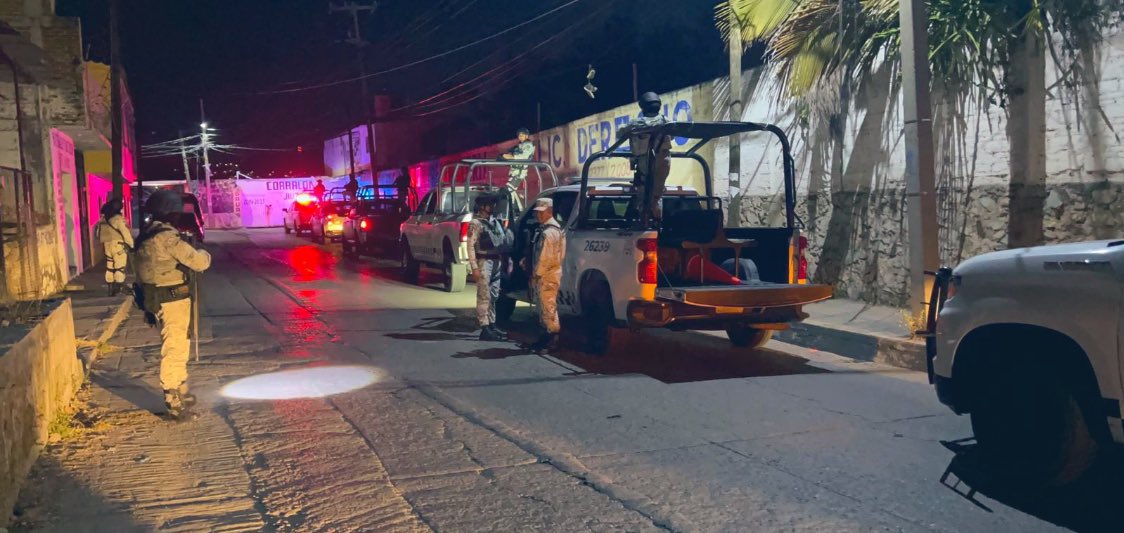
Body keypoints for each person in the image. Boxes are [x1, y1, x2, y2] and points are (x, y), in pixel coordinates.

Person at [135, 190, 212, 420]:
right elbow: (198, 262)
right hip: (172, 298)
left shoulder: (147, 234)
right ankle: (172, 396)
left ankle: (180, 387)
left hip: (158, 297)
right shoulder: (166, 237)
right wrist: (204, 254)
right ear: (171, 213)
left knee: (177, 343)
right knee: (175, 347)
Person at [617, 91, 671, 223]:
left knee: (644, 192)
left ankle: (644, 220)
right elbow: (673, 137)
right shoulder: (667, 122)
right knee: (657, 194)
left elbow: (620, 133)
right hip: (664, 159)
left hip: (645, 160)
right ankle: (657, 220)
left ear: (643, 107)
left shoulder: (637, 124)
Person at [467, 194, 508, 341]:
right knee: (484, 296)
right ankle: (484, 327)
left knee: (494, 295)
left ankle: (492, 324)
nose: (493, 207)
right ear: (482, 207)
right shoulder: (476, 223)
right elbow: (470, 246)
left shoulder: (495, 222)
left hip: (496, 261)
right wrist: (474, 267)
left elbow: (501, 241)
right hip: (484, 261)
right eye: (490, 204)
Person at [528, 197, 565, 351]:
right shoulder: (553, 230)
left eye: (542, 212)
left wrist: (536, 274)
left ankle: (552, 340)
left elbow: (545, 257)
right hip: (550, 273)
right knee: (545, 307)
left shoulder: (549, 233)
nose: (539, 215)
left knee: (548, 307)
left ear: (549, 211)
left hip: (547, 274)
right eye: (537, 212)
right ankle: (545, 337)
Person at [95, 197, 133, 296]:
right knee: (119, 266)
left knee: (110, 266)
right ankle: (119, 287)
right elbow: (125, 233)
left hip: (107, 245)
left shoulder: (103, 219)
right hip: (118, 245)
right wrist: (131, 245)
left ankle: (110, 286)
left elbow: (97, 233)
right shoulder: (117, 219)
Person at [501, 127, 535, 192]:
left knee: (508, 190)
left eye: (522, 135)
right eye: (519, 136)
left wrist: (512, 157)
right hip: (514, 171)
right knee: (510, 191)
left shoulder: (528, 145)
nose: (520, 137)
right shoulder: (520, 145)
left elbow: (524, 156)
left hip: (519, 172)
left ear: (526, 136)